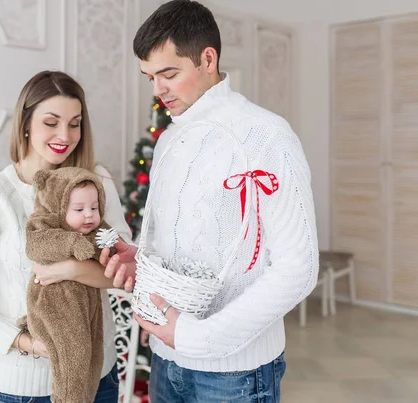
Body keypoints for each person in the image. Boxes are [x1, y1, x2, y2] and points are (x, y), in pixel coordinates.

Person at [102, 1, 319, 402]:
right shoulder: (168, 139)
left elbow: (299, 269)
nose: (157, 90)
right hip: (166, 361)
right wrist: (141, 258)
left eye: (169, 73)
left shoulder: (268, 136)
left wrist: (198, 337)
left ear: (207, 58)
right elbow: (185, 243)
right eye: (149, 76)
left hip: (235, 374)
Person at [0, 70, 134, 403]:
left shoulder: (95, 182)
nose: (65, 134)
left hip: (98, 380)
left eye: (75, 123)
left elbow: (124, 271)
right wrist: (28, 344)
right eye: (51, 122)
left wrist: (69, 270)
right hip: (26, 390)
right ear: (26, 123)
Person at [20, 167, 123, 403]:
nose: (89, 215)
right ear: (59, 205)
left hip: (88, 307)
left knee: (93, 354)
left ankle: (85, 395)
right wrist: (71, 242)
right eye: (79, 209)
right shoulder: (44, 222)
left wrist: (113, 250)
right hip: (57, 306)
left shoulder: (96, 229)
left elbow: (112, 246)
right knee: (73, 359)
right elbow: (35, 245)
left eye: (94, 208)